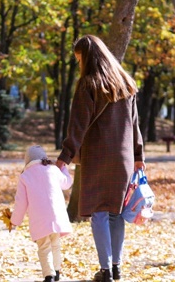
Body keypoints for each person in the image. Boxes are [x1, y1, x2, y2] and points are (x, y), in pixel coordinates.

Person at [56, 35, 145, 282]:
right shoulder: (127, 83)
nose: (79, 63)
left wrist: (64, 157)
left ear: (88, 57)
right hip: (124, 158)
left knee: (99, 212)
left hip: (98, 156)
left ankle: (105, 270)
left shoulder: (89, 84)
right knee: (116, 212)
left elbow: (77, 126)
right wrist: (139, 156)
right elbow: (136, 125)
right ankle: (116, 267)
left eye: (79, 58)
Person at [10, 145, 73, 282]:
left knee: (44, 247)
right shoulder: (53, 170)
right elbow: (67, 183)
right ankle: (56, 272)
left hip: (39, 219)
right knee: (55, 243)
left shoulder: (25, 176)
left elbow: (21, 202)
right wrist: (64, 169)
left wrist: (15, 221)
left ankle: (48, 275)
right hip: (57, 215)